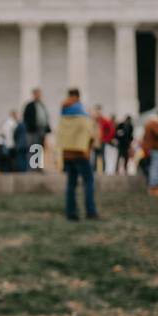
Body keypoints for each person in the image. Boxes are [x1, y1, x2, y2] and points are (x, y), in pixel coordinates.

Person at [56, 89, 97, 220]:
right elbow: (89, 131)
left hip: (67, 152)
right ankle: (90, 211)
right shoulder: (81, 112)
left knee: (71, 184)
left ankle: (71, 213)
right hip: (80, 152)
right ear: (78, 97)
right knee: (88, 181)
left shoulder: (63, 112)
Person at [140, 113, 158, 196]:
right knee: (156, 167)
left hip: (150, 148)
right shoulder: (154, 124)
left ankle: (154, 185)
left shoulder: (147, 124)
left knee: (155, 166)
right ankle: (154, 186)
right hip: (155, 148)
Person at [22, 88, 49, 170]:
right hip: (32, 130)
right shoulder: (29, 105)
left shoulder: (42, 105)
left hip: (41, 129)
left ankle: (38, 167)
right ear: (34, 94)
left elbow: (45, 117)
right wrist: (31, 127)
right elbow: (26, 118)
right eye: (37, 94)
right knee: (33, 148)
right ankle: (32, 167)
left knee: (40, 148)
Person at [96, 109, 115, 174]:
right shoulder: (94, 120)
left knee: (102, 155)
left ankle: (103, 170)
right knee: (95, 156)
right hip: (95, 142)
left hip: (102, 141)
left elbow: (110, 130)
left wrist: (106, 139)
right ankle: (95, 170)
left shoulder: (104, 121)